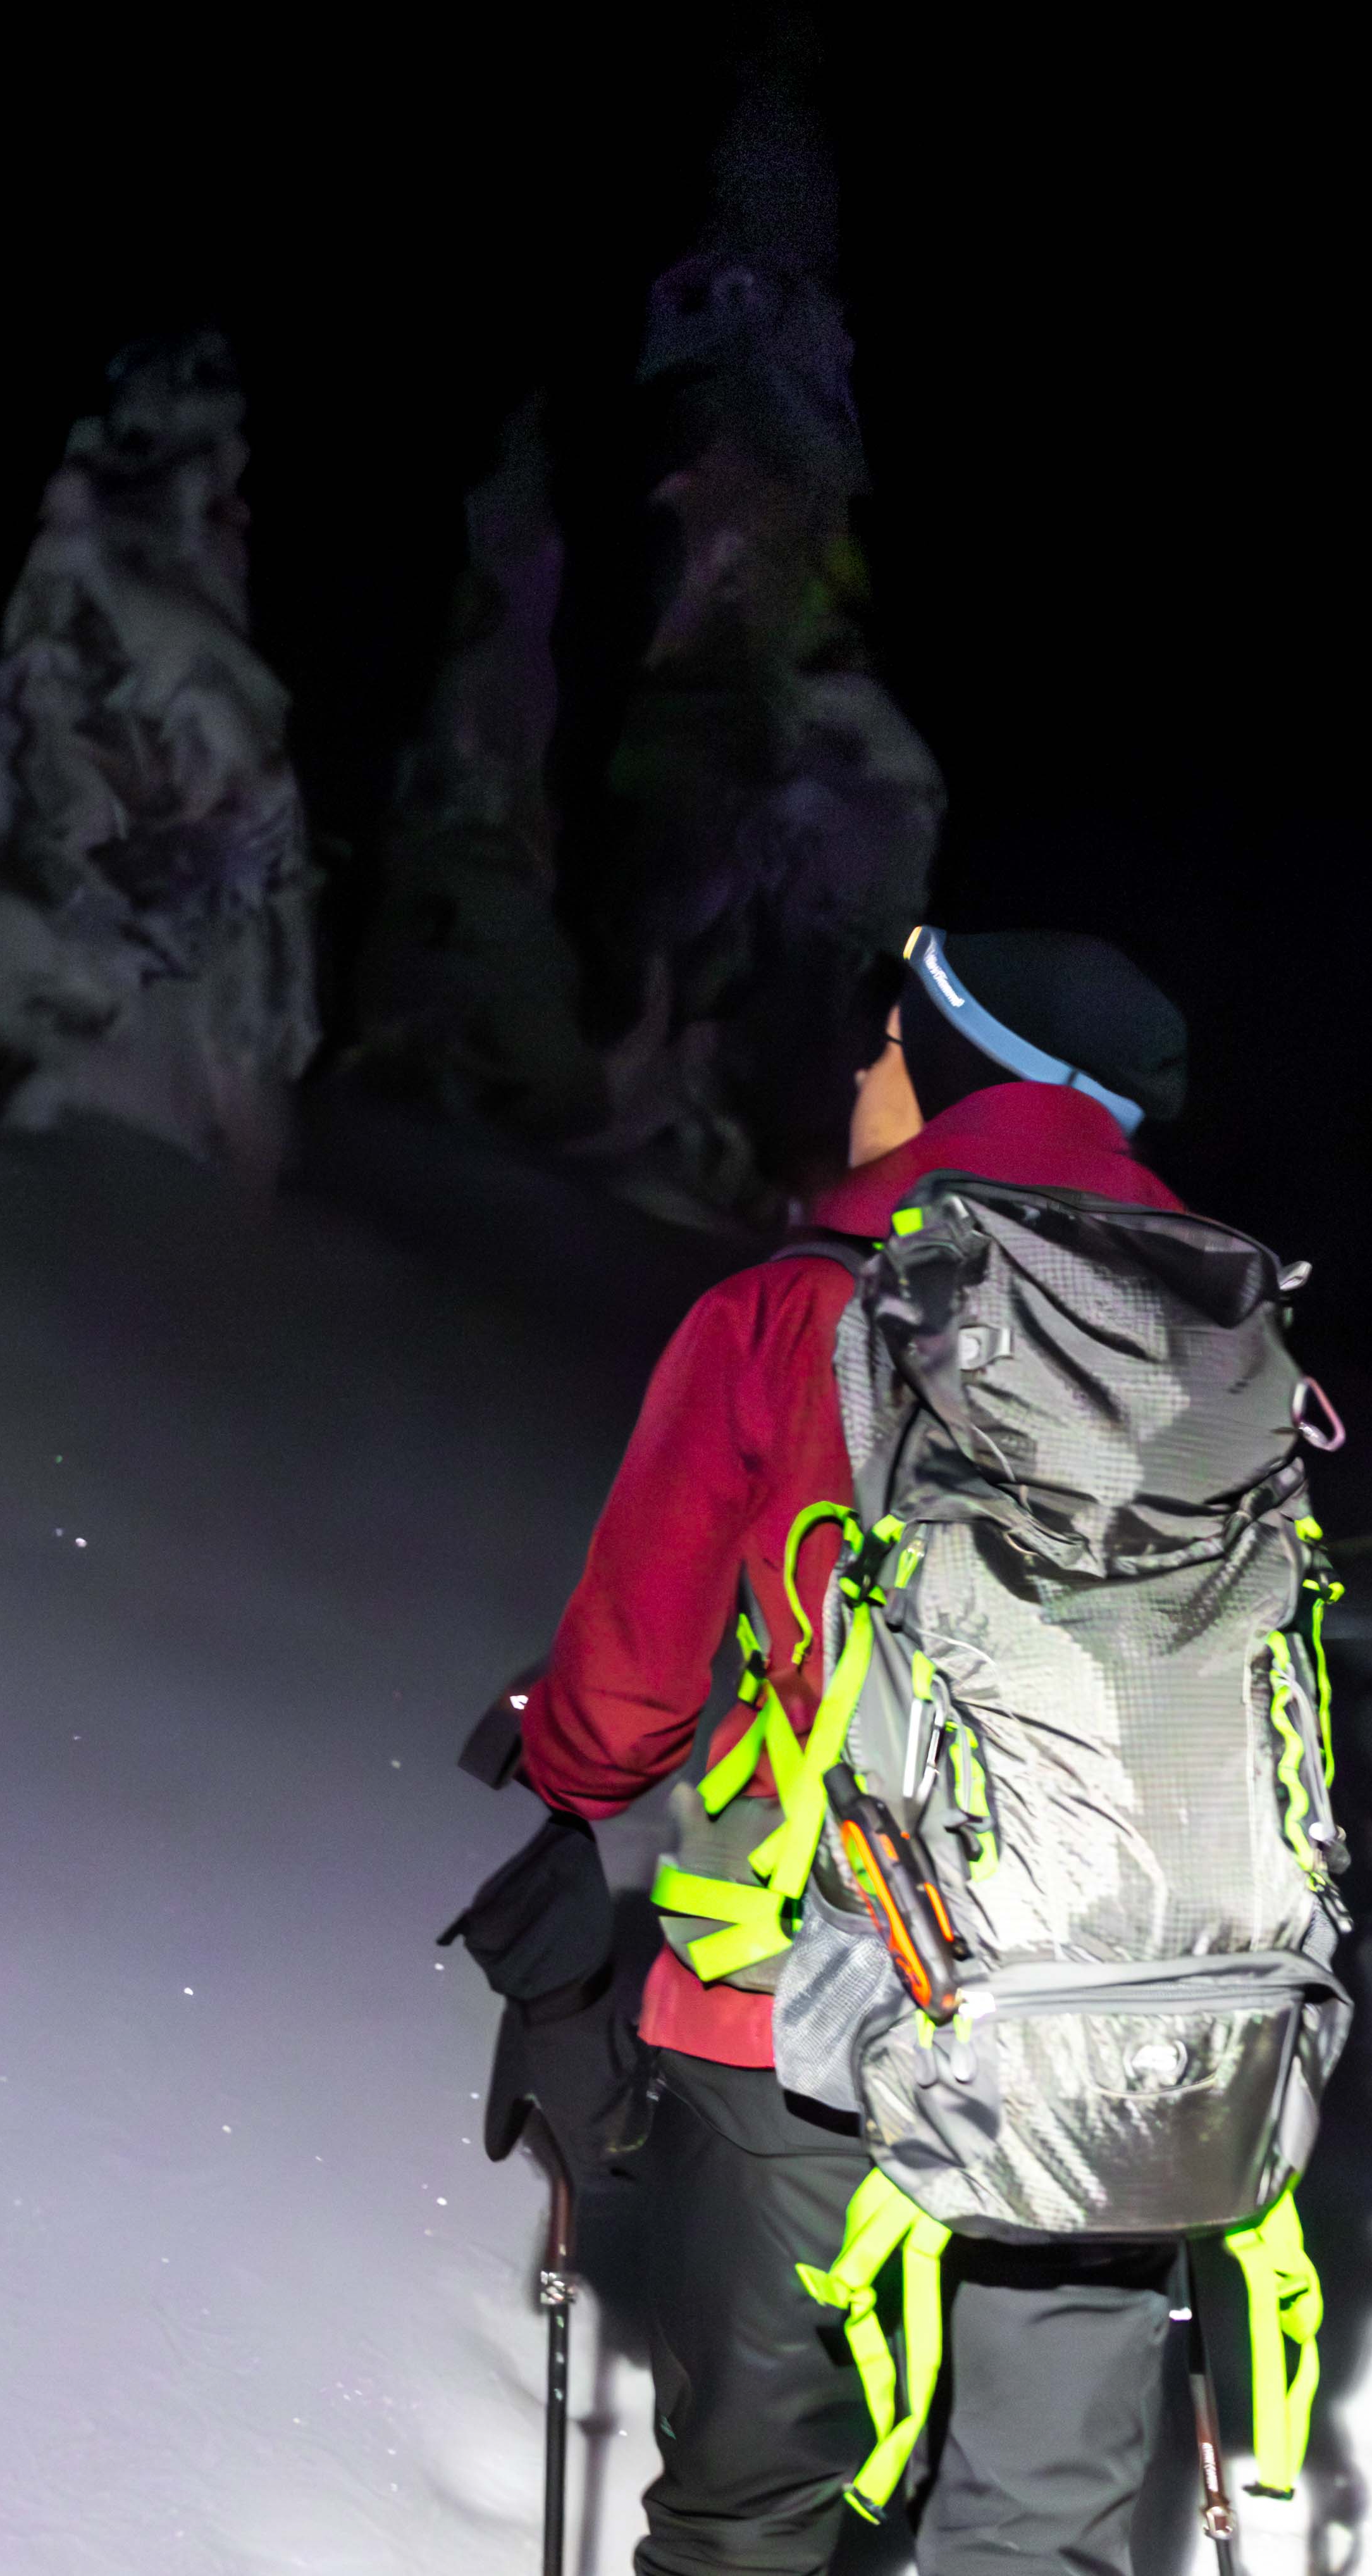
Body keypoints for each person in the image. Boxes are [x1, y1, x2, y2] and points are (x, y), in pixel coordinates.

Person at [521, 925, 1201, 2576]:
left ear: (952, 1066)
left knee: (755, 2516)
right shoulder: (1211, 1334)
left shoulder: (790, 1314)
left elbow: (623, 1706)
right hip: (1116, 2030)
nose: (856, 1070)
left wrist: (563, 1790)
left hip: (798, 2012)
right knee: (1039, 2537)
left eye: (885, 1039)